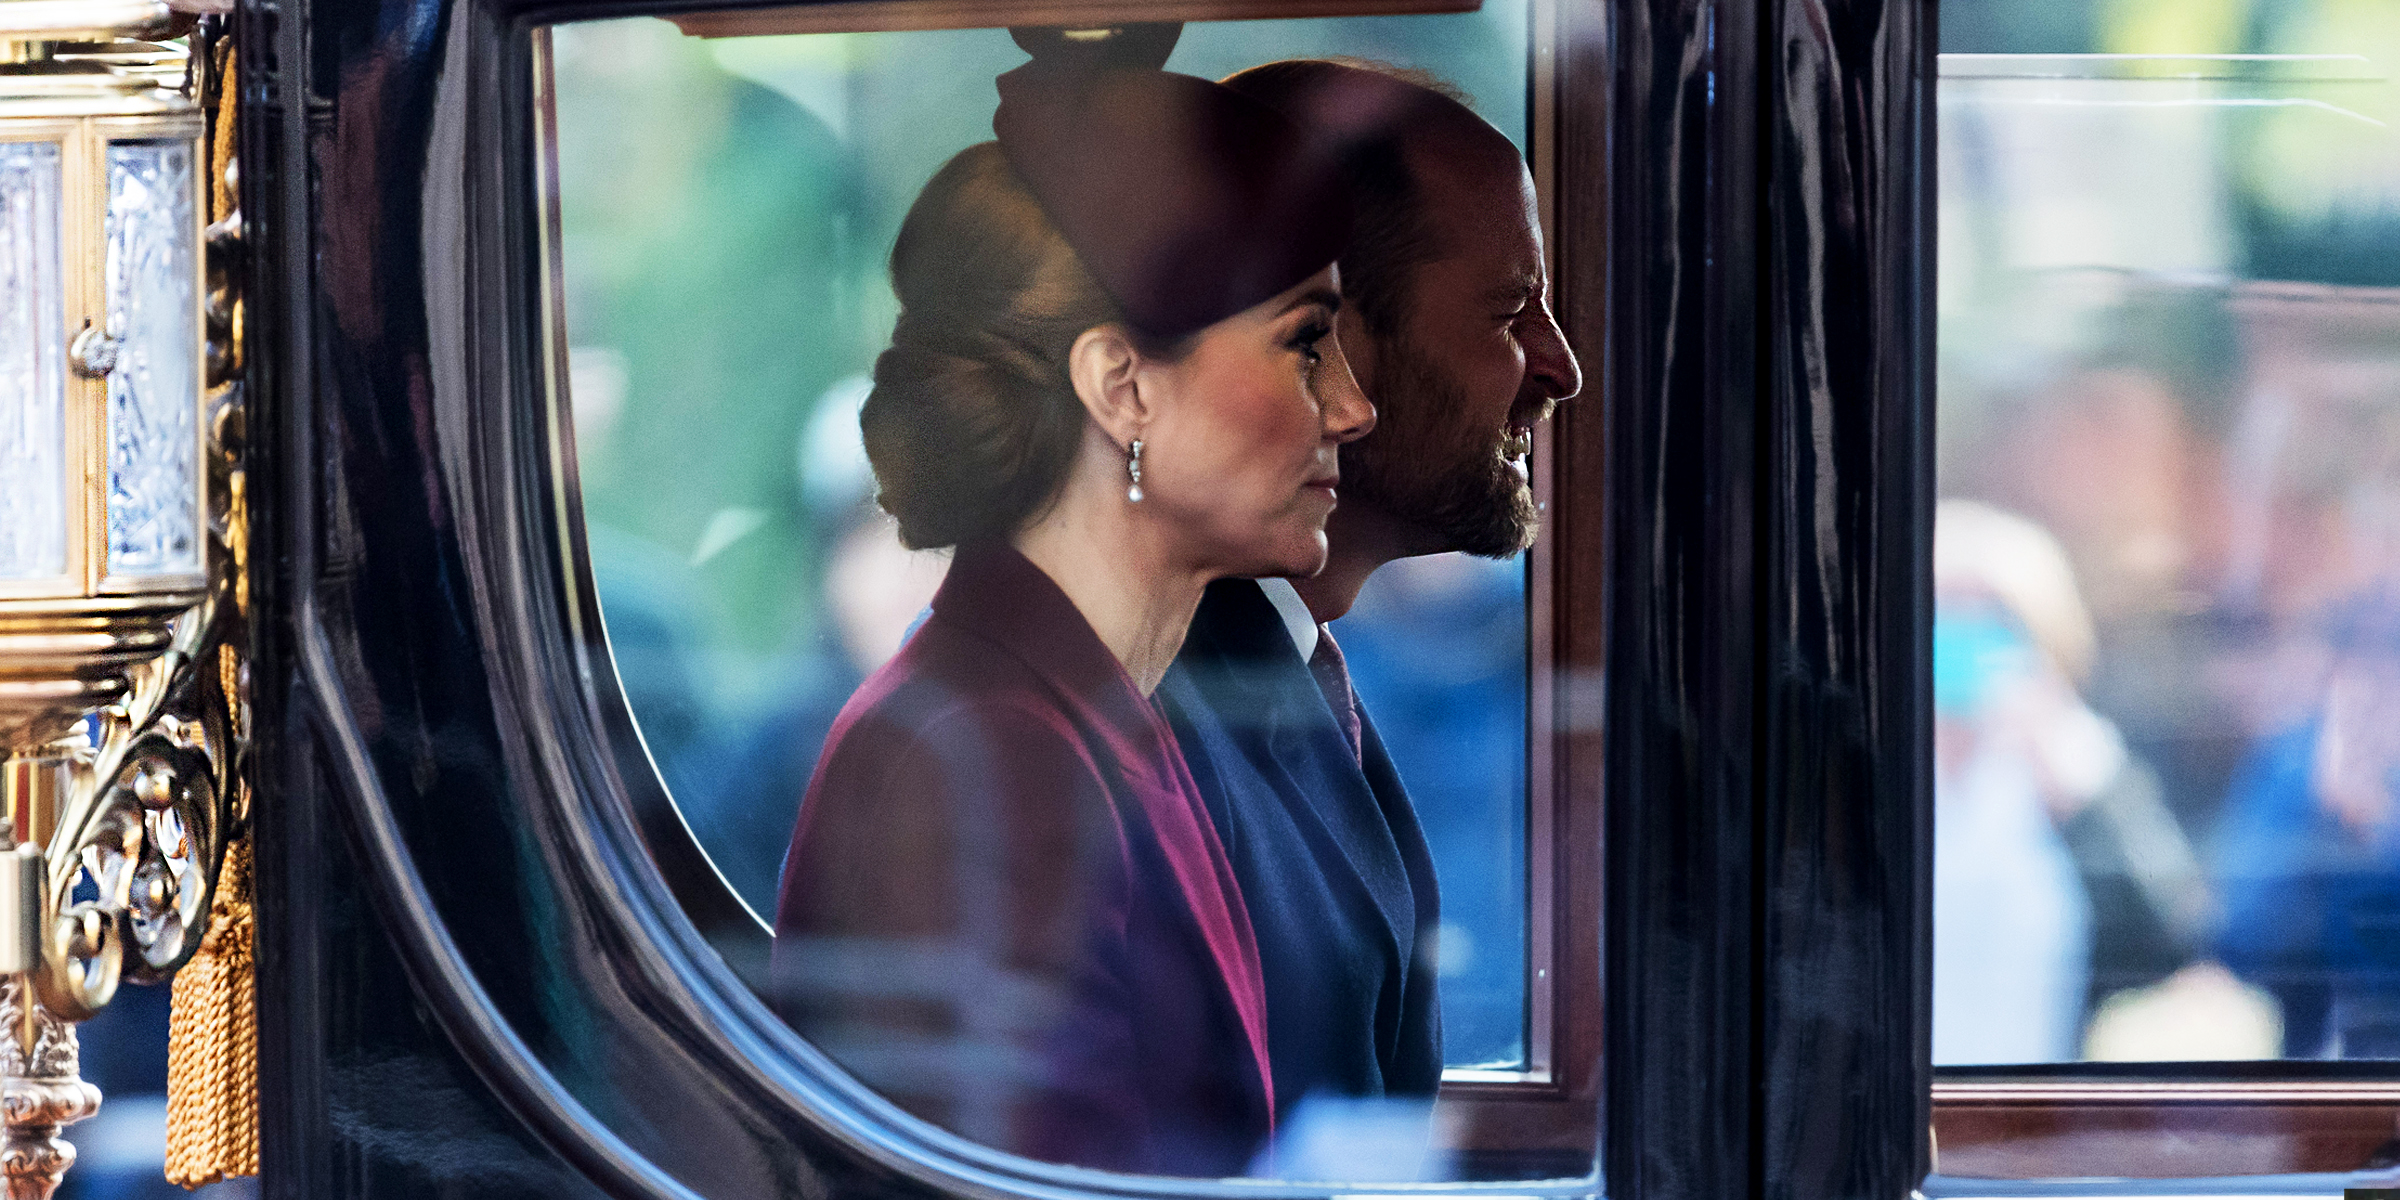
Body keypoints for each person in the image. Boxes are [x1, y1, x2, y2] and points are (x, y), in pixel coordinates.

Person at [771, 25, 1376, 1177]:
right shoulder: (993, 760)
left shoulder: (1087, 718)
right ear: (1121, 385)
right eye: (1306, 345)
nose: (1352, 408)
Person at [1153, 59, 1582, 1161]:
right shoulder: (1125, 716)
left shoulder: (1267, 674)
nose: (1560, 367)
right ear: (1329, 336)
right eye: (1509, 310)